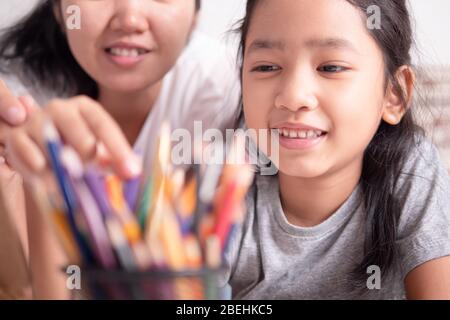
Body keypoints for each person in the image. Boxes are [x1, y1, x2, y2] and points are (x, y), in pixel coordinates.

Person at [0, 0, 240, 299]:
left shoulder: (226, 87)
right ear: (59, 10)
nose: (129, 19)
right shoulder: (17, 100)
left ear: (196, 14)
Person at [225, 0, 450, 299]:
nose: (293, 96)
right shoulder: (225, 178)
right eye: (267, 67)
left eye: (331, 67)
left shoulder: (411, 169)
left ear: (393, 94)